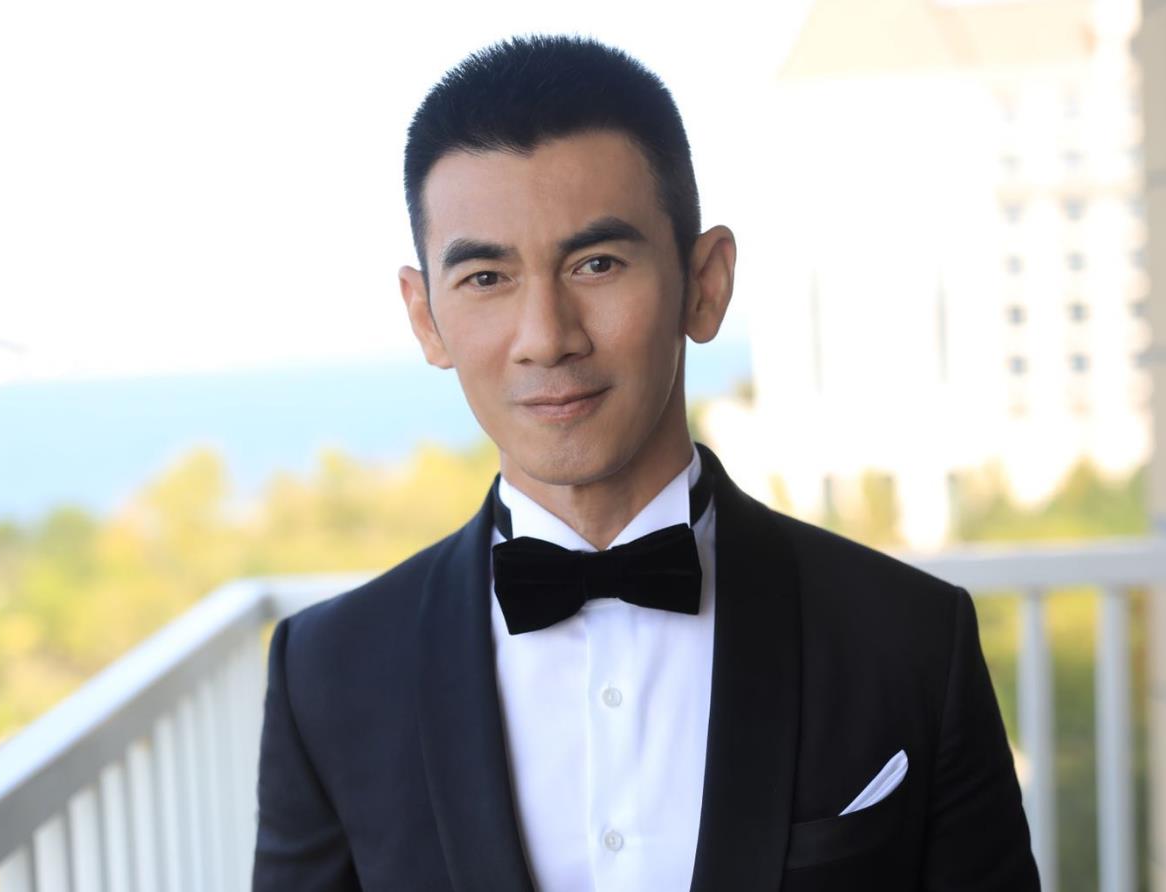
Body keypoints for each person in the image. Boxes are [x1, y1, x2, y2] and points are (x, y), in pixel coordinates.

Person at [252, 34, 1040, 891]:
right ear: (425, 316)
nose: (547, 337)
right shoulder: (326, 676)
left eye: (596, 264)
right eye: (485, 278)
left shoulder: (910, 642)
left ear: (705, 284)